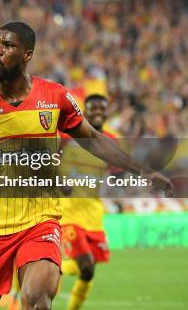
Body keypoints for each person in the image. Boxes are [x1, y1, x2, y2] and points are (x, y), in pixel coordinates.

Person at [0, 22, 171, 310]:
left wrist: (143, 171)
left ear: (27, 55)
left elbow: (92, 139)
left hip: (39, 221)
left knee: (37, 300)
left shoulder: (55, 98)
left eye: (7, 45)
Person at [59, 94, 115, 310]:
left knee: (88, 272)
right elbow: (46, 158)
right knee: (86, 263)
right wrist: (57, 180)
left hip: (94, 213)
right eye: (93, 108)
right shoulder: (67, 136)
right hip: (69, 211)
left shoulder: (110, 141)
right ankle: (42, 268)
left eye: (102, 108)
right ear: (85, 112)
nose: (98, 112)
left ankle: (50, 267)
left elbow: (121, 169)